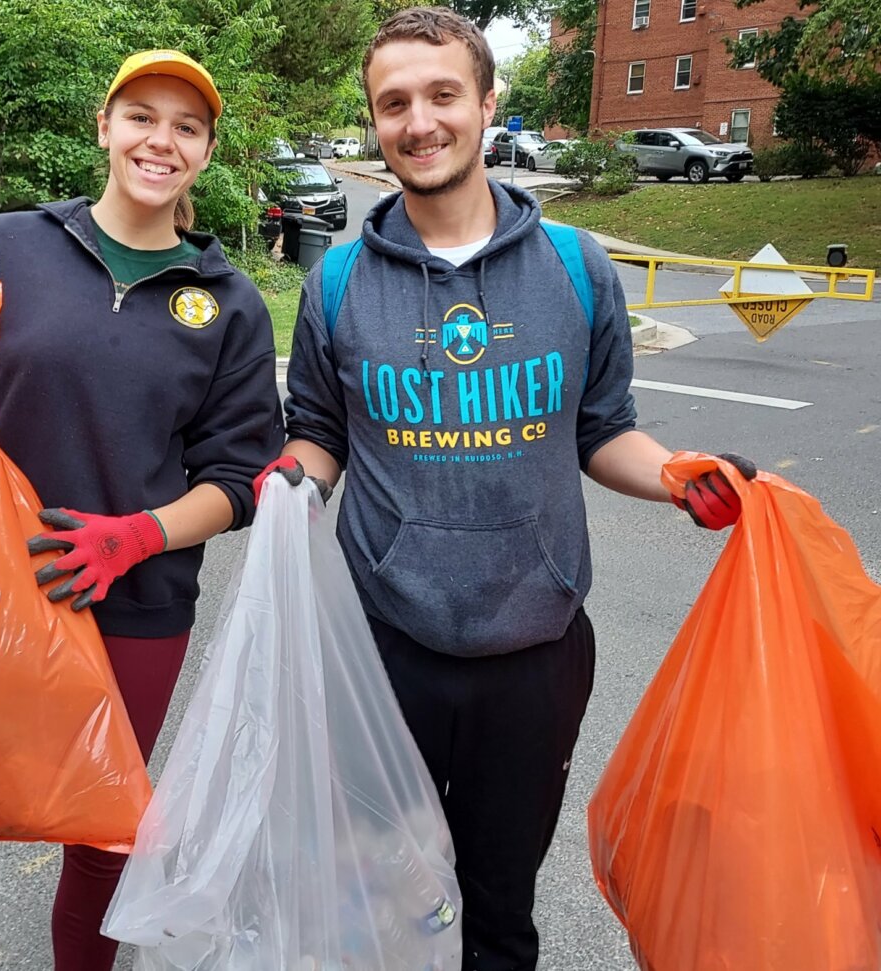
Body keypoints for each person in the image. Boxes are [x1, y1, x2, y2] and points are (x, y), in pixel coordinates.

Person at [255, 8, 756, 971]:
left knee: (498, 911)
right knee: (384, 904)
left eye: (443, 94)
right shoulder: (340, 280)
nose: (420, 120)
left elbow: (603, 431)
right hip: (384, 649)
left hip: (537, 650)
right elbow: (319, 435)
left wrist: (678, 476)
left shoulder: (576, 266)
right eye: (394, 102)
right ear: (375, 120)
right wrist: (292, 478)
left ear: (486, 104)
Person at [0, 49, 284, 971]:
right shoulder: (8, 243)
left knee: (102, 854)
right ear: (105, 126)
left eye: (186, 126)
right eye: (142, 115)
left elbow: (239, 477)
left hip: (136, 609)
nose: (161, 139)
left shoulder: (228, 304)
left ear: (206, 153)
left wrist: (138, 534)